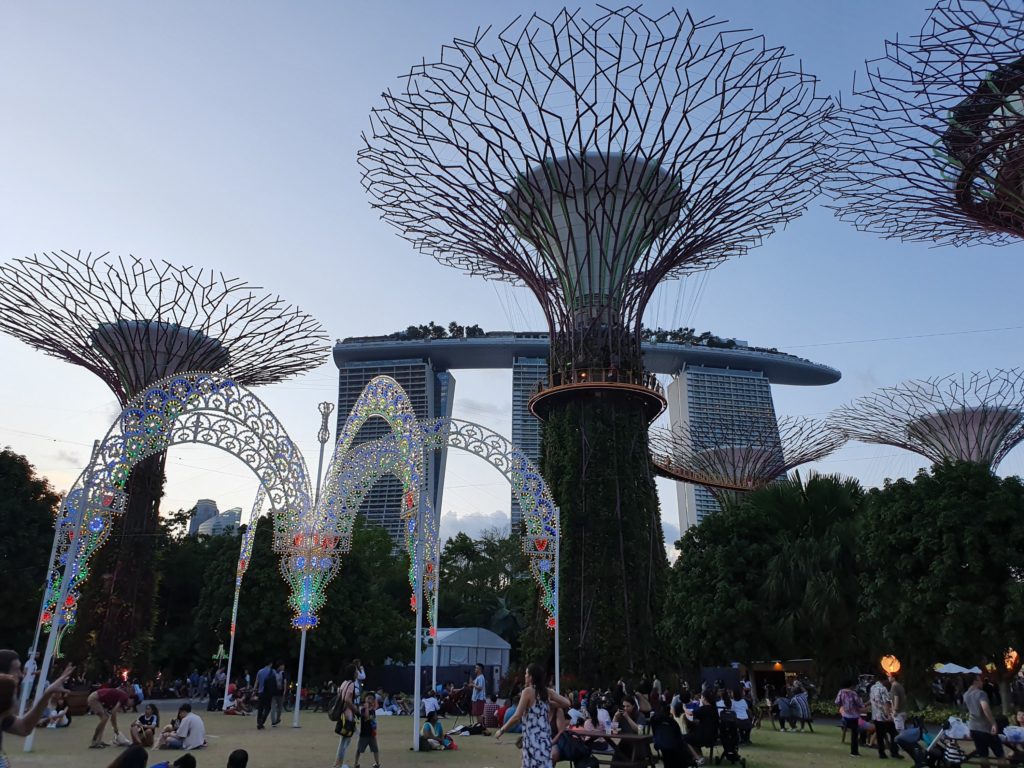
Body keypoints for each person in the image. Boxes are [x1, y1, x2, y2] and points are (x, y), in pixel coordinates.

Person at [496, 663, 571, 768]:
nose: (525, 676)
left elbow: (517, 716)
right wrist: (550, 704)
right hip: (545, 740)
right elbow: (567, 703)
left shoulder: (527, 692)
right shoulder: (547, 692)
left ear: (531, 677)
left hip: (532, 740)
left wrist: (502, 730)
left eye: (526, 674)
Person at [965, 674, 1005, 759]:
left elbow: (969, 711)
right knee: (1000, 755)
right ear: (975, 682)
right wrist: (993, 723)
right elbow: (985, 708)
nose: (982, 682)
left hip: (974, 728)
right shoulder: (981, 693)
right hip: (986, 728)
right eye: (980, 680)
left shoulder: (965, 695)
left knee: (983, 755)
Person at [333, 664, 359, 768]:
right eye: (356, 671)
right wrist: (355, 710)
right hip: (348, 715)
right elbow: (347, 699)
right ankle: (338, 764)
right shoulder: (351, 684)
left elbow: (340, 695)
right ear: (352, 673)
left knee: (344, 739)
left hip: (342, 713)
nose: (357, 673)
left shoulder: (344, 683)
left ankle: (338, 763)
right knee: (345, 740)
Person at [869, 676, 901, 759]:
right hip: (884, 717)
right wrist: (888, 715)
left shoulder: (873, 687)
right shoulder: (883, 689)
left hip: (876, 716)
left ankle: (881, 753)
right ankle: (894, 752)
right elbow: (886, 703)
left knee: (880, 736)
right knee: (893, 733)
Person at [836, 679, 865, 757]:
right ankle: (854, 751)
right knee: (854, 735)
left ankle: (854, 751)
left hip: (845, 715)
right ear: (851, 685)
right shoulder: (853, 693)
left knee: (852, 732)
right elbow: (859, 704)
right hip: (854, 716)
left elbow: (837, 702)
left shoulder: (841, 692)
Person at [355, 692, 381, 768]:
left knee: (375, 749)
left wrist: (373, 702)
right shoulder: (363, 709)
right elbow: (366, 717)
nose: (370, 700)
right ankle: (356, 763)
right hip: (364, 734)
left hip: (372, 734)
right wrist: (366, 707)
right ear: (365, 699)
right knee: (359, 750)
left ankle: (377, 763)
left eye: (372, 699)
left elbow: (374, 708)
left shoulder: (372, 710)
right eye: (368, 698)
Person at [255, 660, 277, 730]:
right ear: (270, 664)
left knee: (260, 708)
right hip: (268, 693)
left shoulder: (260, 671)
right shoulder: (273, 671)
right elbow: (276, 681)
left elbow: (257, 681)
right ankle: (262, 721)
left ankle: (259, 722)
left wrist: (254, 690)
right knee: (268, 707)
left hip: (260, 692)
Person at [271, 662, 287, 726]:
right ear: (280, 666)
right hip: (280, 693)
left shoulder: (272, 672)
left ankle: (273, 721)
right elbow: (285, 682)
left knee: (273, 708)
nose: (283, 667)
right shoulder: (283, 673)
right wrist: (285, 691)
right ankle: (277, 719)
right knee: (280, 708)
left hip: (273, 693)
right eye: (283, 666)